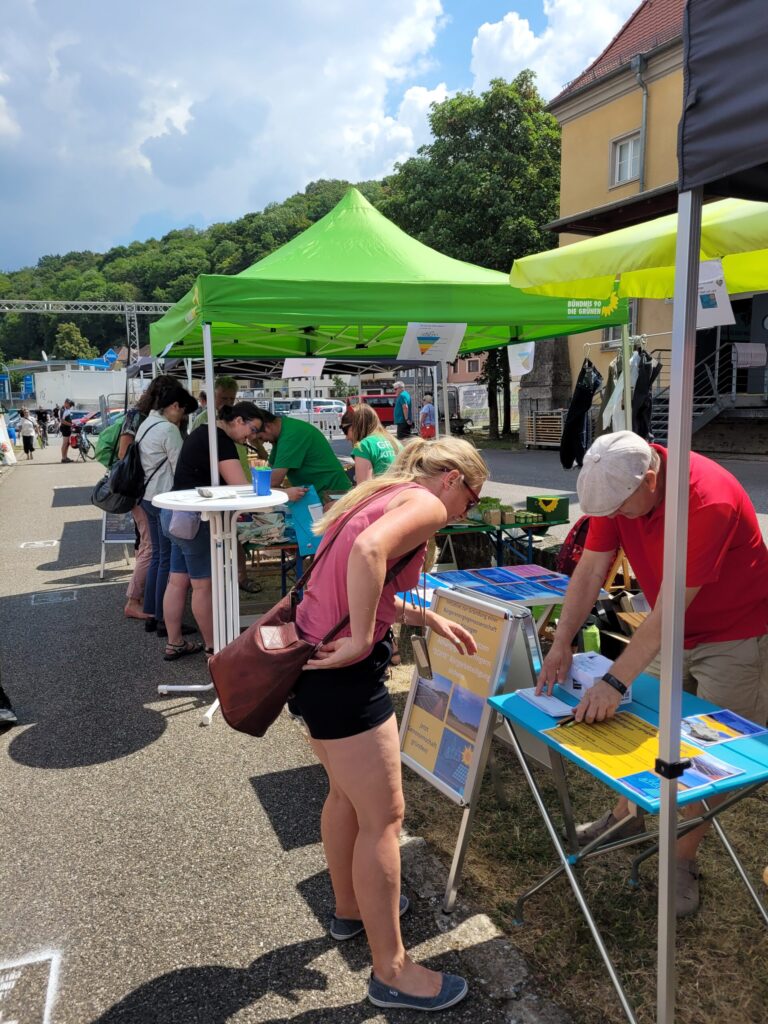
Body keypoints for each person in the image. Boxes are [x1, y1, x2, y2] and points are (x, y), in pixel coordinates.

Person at [287, 437, 488, 1012]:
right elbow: (369, 556)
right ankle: (392, 971)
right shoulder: (423, 504)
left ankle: (350, 909)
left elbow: (362, 589)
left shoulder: (378, 493)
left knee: (346, 798)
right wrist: (356, 644)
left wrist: (428, 618)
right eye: (471, 501)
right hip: (343, 678)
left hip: (312, 669)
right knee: (384, 817)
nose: (464, 513)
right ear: (451, 479)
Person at [536, 430, 768, 916]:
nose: (616, 518)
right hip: (670, 630)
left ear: (651, 477)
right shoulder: (619, 489)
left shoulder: (707, 500)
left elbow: (668, 613)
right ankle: (627, 817)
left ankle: (681, 859)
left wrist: (615, 681)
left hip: (737, 633)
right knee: (648, 734)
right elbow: (591, 570)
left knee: (710, 754)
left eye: (621, 508)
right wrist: (560, 641)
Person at [160, 401, 265, 658]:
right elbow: (239, 486)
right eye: (251, 429)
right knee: (203, 586)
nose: (251, 437)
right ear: (238, 420)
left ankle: (175, 642)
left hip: (173, 513)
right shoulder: (220, 440)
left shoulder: (201, 432)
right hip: (195, 519)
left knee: (177, 581)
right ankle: (214, 649)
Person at [136, 382, 199, 642]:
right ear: (174, 406)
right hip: (166, 499)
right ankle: (165, 619)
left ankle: (152, 612)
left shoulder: (145, 424)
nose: (183, 418)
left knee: (157, 558)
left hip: (147, 497)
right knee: (168, 562)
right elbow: (180, 469)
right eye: (183, 411)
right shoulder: (168, 430)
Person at [194, 376, 268, 593]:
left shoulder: (242, 422)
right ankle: (220, 582)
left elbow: (261, 453)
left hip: (238, 483)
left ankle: (240, 577)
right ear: (212, 396)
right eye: (222, 397)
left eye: (231, 398)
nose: (226, 402)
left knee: (235, 536)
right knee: (219, 538)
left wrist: (252, 440)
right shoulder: (206, 423)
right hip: (222, 489)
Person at [119, 375, 180, 622]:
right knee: (151, 549)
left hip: (144, 491)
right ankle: (135, 601)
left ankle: (152, 603)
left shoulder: (143, 417)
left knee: (152, 550)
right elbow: (124, 454)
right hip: (146, 491)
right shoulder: (143, 418)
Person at [252, 408, 352, 502]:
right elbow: (269, 473)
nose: (263, 442)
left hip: (332, 493)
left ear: (268, 426)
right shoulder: (283, 432)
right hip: (320, 493)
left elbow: (273, 481)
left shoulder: (291, 435)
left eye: (260, 437)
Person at [345, 404, 400, 483]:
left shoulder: (363, 446)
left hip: (382, 493)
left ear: (357, 425)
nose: (347, 437)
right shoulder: (395, 441)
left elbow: (364, 487)